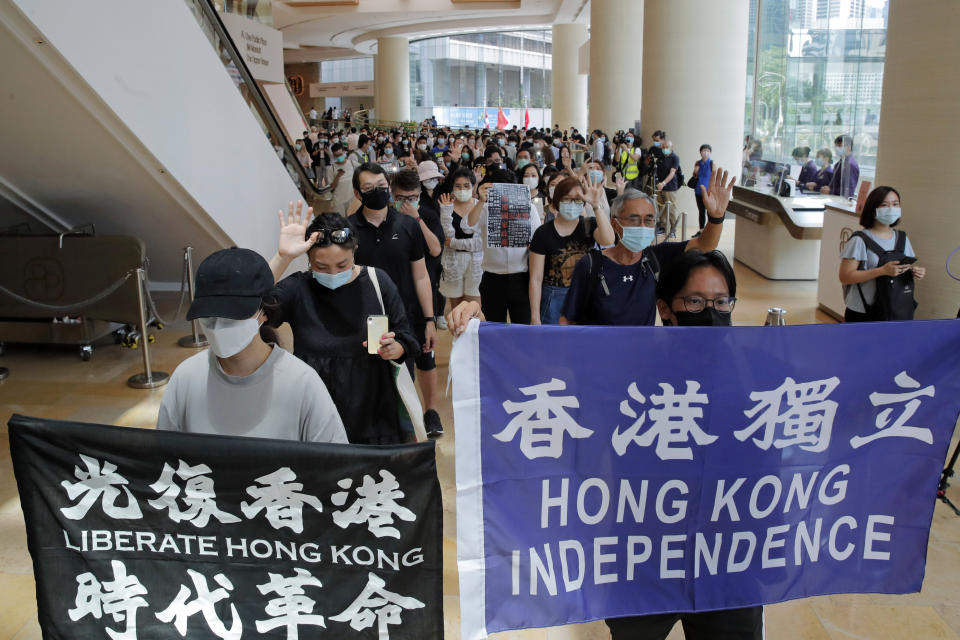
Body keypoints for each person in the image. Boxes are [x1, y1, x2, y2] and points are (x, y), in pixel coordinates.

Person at [604, 249, 763, 640]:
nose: (711, 311)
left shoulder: (759, 376)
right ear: (665, 309)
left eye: (721, 301)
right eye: (695, 301)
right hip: (646, 560)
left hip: (728, 562)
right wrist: (478, 327)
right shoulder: (632, 376)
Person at [158, 247, 348, 443]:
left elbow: (335, 464)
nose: (217, 326)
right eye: (208, 316)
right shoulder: (186, 378)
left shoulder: (302, 383)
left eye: (233, 315)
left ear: (264, 311)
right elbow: (162, 457)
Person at [266, 206, 419, 443]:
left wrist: (396, 347)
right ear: (308, 259)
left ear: (355, 250)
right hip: (316, 403)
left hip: (373, 406)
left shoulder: (378, 282)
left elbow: (405, 335)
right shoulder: (298, 288)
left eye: (342, 265)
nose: (332, 273)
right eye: (321, 267)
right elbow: (250, 309)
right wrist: (282, 258)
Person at [560, 167, 735, 326]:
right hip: (600, 356)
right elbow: (567, 320)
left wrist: (716, 217)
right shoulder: (591, 265)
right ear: (615, 224)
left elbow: (704, 245)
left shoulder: (655, 259)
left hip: (642, 355)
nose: (643, 225)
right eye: (634, 219)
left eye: (649, 220)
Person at [347, 163, 438, 380]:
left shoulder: (408, 225)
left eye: (381, 185)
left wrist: (429, 319)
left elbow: (421, 275)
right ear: (358, 194)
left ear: (388, 187)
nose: (377, 191)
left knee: (403, 381)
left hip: (402, 317)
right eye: (369, 188)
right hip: (362, 318)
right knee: (367, 382)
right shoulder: (348, 228)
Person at [391, 168, 445, 436]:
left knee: (426, 357)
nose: (407, 203)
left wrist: (417, 220)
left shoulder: (429, 216)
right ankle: (403, 416)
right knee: (396, 361)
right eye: (401, 198)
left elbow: (435, 249)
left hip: (423, 300)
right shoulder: (387, 220)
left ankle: (431, 411)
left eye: (413, 197)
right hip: (392, 304)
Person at [529, 177, 614, 325]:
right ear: (557, 200)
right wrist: (535, 317)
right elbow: (535, 279)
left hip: (584, 296)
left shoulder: (589, 225)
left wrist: (595, 205)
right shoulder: (543, 233)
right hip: (553, 299)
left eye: (577, 199)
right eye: (567, 199)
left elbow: (608, 240)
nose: (572, 204)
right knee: (554, 344)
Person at [463, 168, 542, 324]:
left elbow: (537, 239)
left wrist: (529, 245)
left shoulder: (529, 208)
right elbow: (467, 226)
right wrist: (480, 200)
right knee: (493, 327)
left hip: (521, 278)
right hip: (492, 279)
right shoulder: (484, 209)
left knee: (522, 328)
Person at [838, 186, 925, 322]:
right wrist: (882, 271)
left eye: (895, 204)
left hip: (894, 310)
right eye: (884, 205)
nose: (891, 208)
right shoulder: (859, 239)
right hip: (863, 312)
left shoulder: (902, 238)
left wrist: (913, 271)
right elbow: (845, 276)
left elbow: (902, 266)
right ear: (873, 209)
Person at [438, 167, 484, 327]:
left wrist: (456, 243)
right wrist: (445, 212)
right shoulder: (446, 206)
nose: (462, 189)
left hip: (476, 263)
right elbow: (446, 236)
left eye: (466, 185)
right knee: (456, 312)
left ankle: (477, 346)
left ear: (473, 187)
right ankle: (460, 345)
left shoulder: (481, 206)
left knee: (475, 310)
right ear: (452, 187)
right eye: (458, 186)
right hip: (453, 262)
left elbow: (480, 242)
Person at [656, 140, 681, 237]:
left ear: (671, 147)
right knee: (661, 207)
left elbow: (672, 173)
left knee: (671, 209)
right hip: (660, 187)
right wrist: (658, 183)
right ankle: (663, 227)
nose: (664, 149)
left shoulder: (675, 158)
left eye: (666, 147)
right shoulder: (661, 157)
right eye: (663, 147)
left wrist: (664, 183)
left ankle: (673, 229)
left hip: (670, 187)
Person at [328, 143, 354, 214]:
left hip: (352, 198)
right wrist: (337, 176)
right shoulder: (331, 168)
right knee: (341, 222)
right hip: (339, 201)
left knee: (352, 220)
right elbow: (332, 187)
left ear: (344, 152)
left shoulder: (352, 163)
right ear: (333, 156)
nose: (339, 157)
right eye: (336, 155)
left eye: (340, 154)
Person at [692, 144, 713, 232]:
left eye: (708, 151)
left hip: (708, 192)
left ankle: (709, 230)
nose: (705, 152)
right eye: (704, 150)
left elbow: (714, 177)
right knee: (701, 211)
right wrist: (696, 169)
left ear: (710, 153)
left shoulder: (712, 163)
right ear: (700, 152)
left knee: (709, 211)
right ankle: (701, 230)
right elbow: (694, 174)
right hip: (698, 190)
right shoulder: (698, 163)